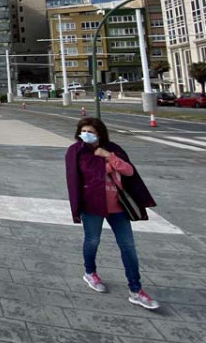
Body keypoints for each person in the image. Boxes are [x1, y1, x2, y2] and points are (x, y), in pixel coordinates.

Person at [65, 117, 160, 310]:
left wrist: (108, 156)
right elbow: (77, 178)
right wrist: (77, 207)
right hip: (92, 206)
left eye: (91, 131)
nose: (87, 135)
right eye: (84, 131)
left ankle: (136, 290)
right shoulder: (76, 152)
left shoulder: (113, 149)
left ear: (100, 133)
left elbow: (129, 171)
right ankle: (90, 272)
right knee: (92, 240)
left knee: (128, 246)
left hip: (118, 206)